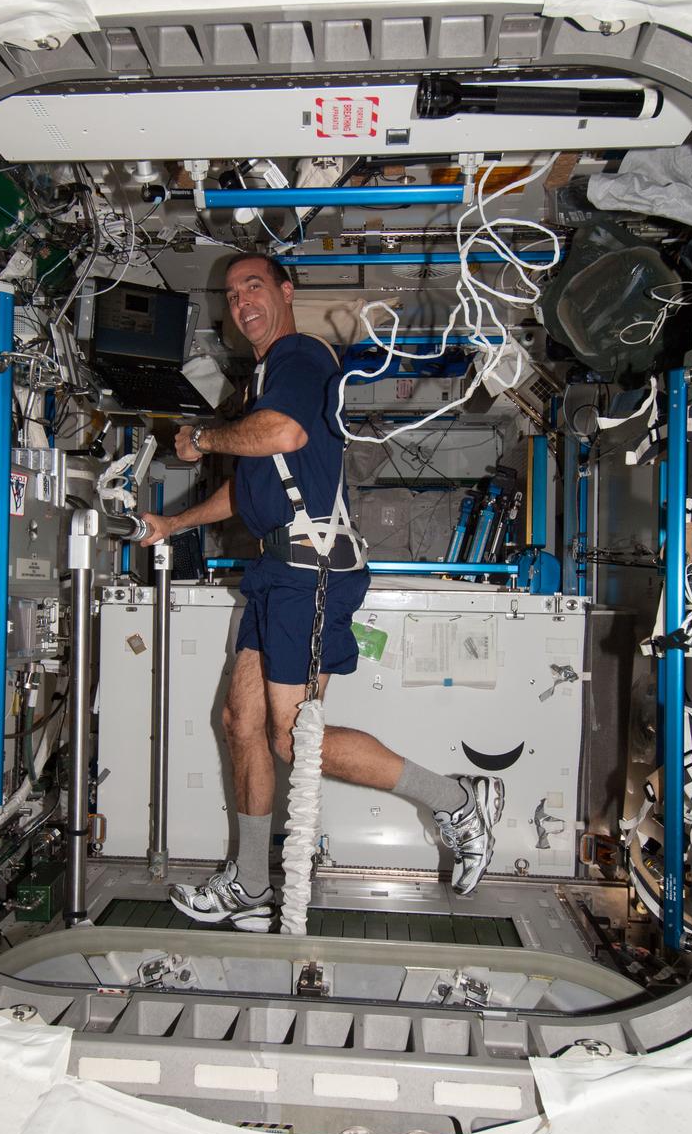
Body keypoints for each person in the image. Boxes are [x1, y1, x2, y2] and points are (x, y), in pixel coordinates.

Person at [140, 253, 504, 931]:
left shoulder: (298, 355)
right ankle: (250, 885)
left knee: (289, 738)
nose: (241, 299)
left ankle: (456, 800)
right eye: (231, 292)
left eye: (254, 285)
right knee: (240, 723)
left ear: (286, 291)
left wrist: (201, 438)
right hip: (278, 570)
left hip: (310, 572)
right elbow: (251, 487)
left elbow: (283, 434)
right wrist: (173, 521)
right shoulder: (264, 380)